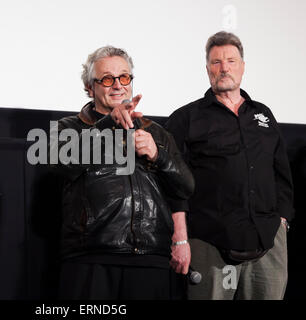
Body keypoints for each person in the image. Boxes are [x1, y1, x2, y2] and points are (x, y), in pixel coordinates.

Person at [53, 45, 195, 300]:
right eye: (107, 79)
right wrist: (109, 123)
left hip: (150, 258)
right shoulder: (69, 127)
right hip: (92, 258)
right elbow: (63, 163)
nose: (117, 85)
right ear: (90, 87)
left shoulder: (158, 133)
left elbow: (185, 187)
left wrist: (158, 155)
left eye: (124, 77)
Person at [165, 31, 294, 300]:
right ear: (207, 69)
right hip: (209, 243)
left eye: (231, 61)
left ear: (243, 67)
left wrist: (281, 220)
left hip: (268, 242)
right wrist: (180, 238)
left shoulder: (263, 115)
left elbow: (281, 172)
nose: (224, 68)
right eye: (216, 62)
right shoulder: (186, 118)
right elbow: (171, 182)